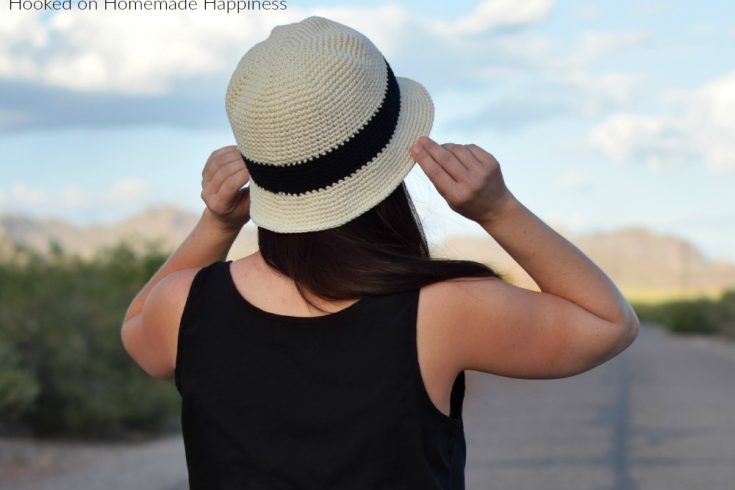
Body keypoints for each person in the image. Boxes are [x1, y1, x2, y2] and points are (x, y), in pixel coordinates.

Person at [120, 15, 639, 490]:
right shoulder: (440, 309)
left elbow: (136, 329)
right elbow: (608, 323)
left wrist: (215, 225)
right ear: (393, 160)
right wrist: (498, 210)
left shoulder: (184, 306)